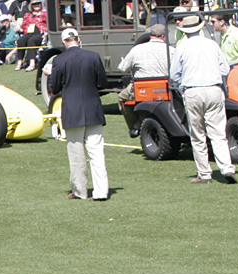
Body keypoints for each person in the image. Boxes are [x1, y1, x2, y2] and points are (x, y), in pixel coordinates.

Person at [170, 14, 236, 184]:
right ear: (200, 28)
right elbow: (225, 69)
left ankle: (204, 173)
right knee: (218, 133)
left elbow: (174, 74)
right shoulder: (212, 44)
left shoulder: (182, 47)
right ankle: (227, 167)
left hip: (193, 90)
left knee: (198, 134)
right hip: (214, 88)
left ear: (184, 31)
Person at [49, 27, 109, 201]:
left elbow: (54, 88)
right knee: (97, 153)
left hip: (72, 111)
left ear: (64, 42)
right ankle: (101, 192)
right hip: (93, 109)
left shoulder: (59, 60)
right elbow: (102, 82)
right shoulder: (93, 57)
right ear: (78, 38)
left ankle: (80, 191)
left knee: (76, 154)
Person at [117, 23, 172, 138]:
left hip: (141, 89)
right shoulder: (171, 50)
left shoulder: (137, 50)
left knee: (122, 98)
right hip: (166, 89)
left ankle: (134, 126)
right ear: (163, 36)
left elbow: (122, 69)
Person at [14, 0, 47, 71]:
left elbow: (49, 26)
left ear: (41, 4)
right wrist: (19, 28)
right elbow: (24, 26)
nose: (36, 5)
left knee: (31, 41)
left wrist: (46, 34)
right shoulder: (28, 15)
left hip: (40, 34)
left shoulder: (45, 14)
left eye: (38, 3)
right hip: (29, 33)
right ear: (31, 5)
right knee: (21, 40)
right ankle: (19, 62)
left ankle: (32, 63)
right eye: (34, 4)